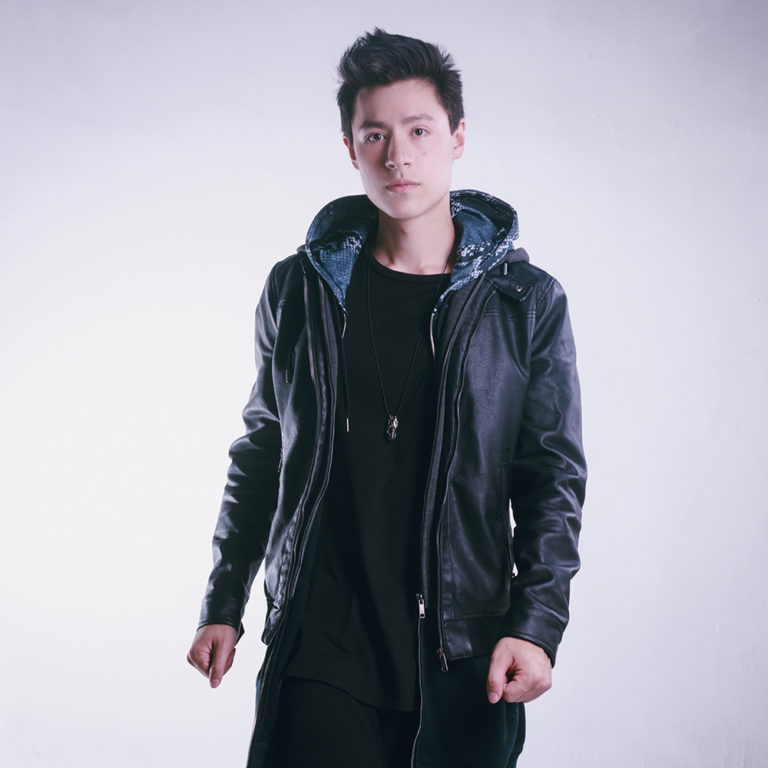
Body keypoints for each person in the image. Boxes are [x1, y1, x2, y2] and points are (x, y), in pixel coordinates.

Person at [187, 28, 586, 768]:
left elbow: (551, 480)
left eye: (419, 131)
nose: (398, 155)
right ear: (351, 148)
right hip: (320, 643)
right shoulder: (300, 289)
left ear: (457, 137)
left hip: (461, 648)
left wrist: (536, 626)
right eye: (375, 134)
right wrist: (224, 602)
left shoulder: (524, 302)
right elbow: (263, 451)